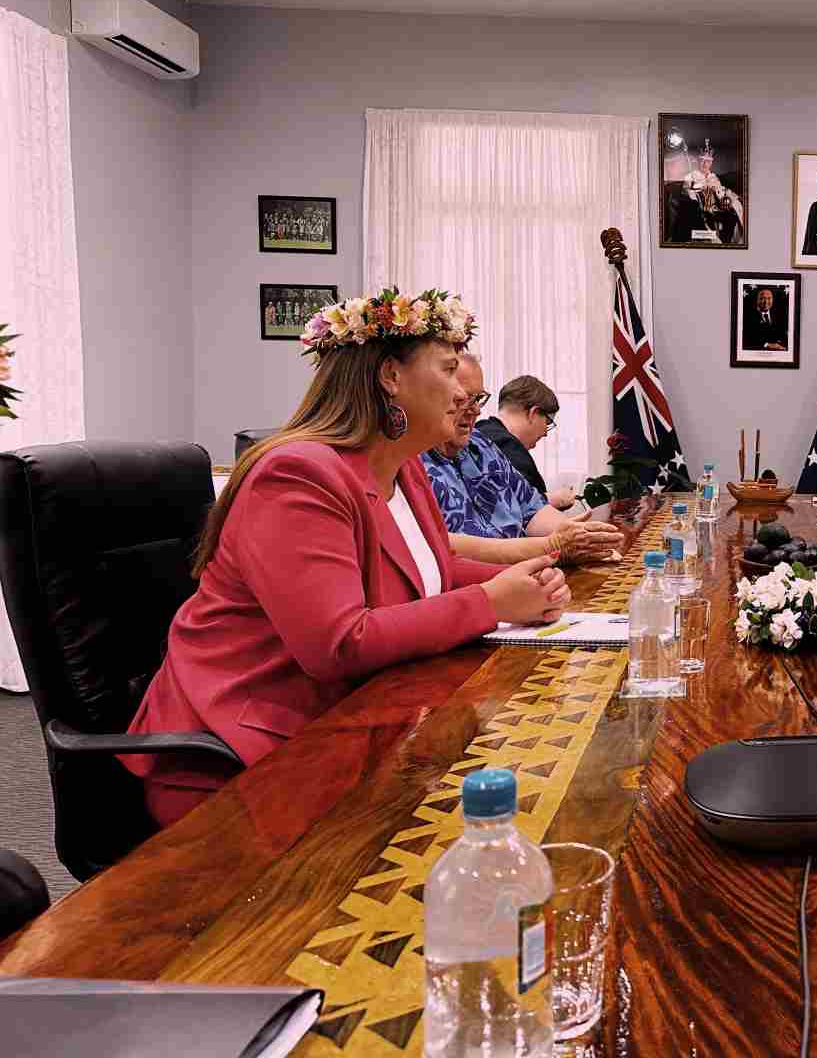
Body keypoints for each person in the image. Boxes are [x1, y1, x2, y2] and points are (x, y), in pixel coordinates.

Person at [121, 289, 572, 826]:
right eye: (450, 371)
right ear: (390, 377)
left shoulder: (404, 469)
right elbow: (338, 643)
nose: (463, 395)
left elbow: (430, 571)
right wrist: (490, 602)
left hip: (347, 725)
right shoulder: (298, 476)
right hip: (237, 758)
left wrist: (525, 581)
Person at [423, 353, 623, 564]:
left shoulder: (483, 445)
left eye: (479, 399)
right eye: (462, 399)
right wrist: (551, 547)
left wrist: (582, 537)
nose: (477, 411)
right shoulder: (411, 462)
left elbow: (533, 509)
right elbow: (442, 548)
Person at [477, 374, 573, 505]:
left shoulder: (478, 433)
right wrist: (555, 500)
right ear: (533, 413)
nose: (545, 432)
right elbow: (522, 511)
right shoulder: (509, 448)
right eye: (547, 422)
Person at [742, 286, 789, 351]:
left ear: (773, 299)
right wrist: (767, 345)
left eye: (769, 298)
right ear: (757, 300)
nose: (766, 302)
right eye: (762, 298)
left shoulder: (781, 315)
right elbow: (746, 340)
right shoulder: (747, 316)